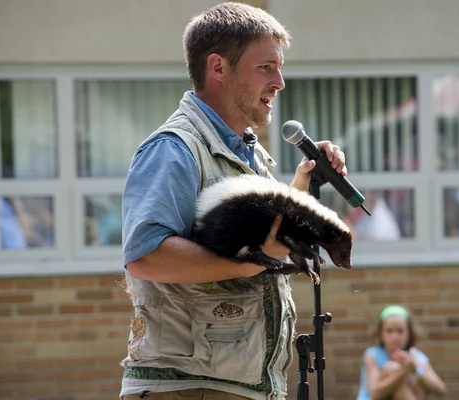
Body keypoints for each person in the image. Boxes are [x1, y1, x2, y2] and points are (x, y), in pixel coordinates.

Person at [118, 3, 348, 400]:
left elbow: (258, 235)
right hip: (190, 386)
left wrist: (300, 189)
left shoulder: (249, 154)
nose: (279, 82)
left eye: (279, 68)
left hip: (235, 386)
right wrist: (252, 261)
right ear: (218, 67)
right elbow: (146, 256)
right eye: (266, 68)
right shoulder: (174, 148)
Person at [356, 305, 447, 400]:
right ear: (381, 333)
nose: (395, 337)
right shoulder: (372, 354)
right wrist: (403, 371)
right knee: (392, 368)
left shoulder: (415, 356)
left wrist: (416, 369)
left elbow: (441, 390)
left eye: (400, 331)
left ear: (410, 332)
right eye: (389, 331)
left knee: (416, 377)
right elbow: (375, 394)